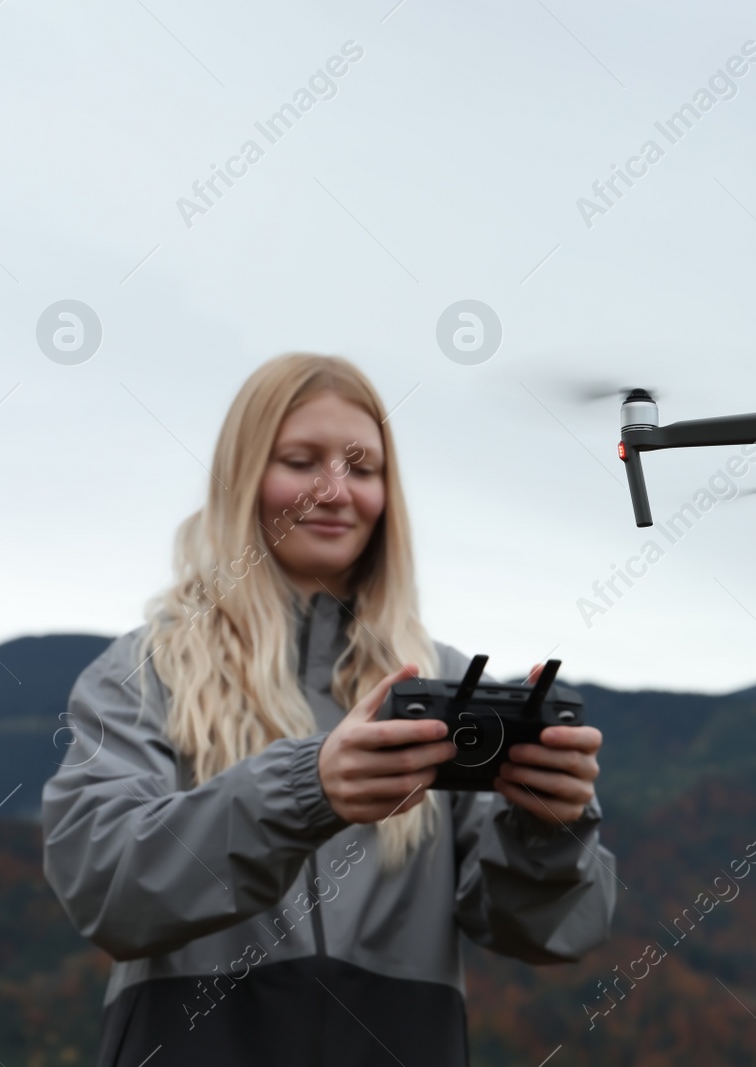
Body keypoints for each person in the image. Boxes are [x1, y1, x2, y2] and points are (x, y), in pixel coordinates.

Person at [42, 354, 616, 1066]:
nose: (335, 491)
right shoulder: (146, 673)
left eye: (363, 467)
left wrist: (551, 831)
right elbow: (106, 889)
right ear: (242, 476)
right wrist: (306, 786)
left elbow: (552, 933)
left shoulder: (438, 684)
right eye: (300, 460)